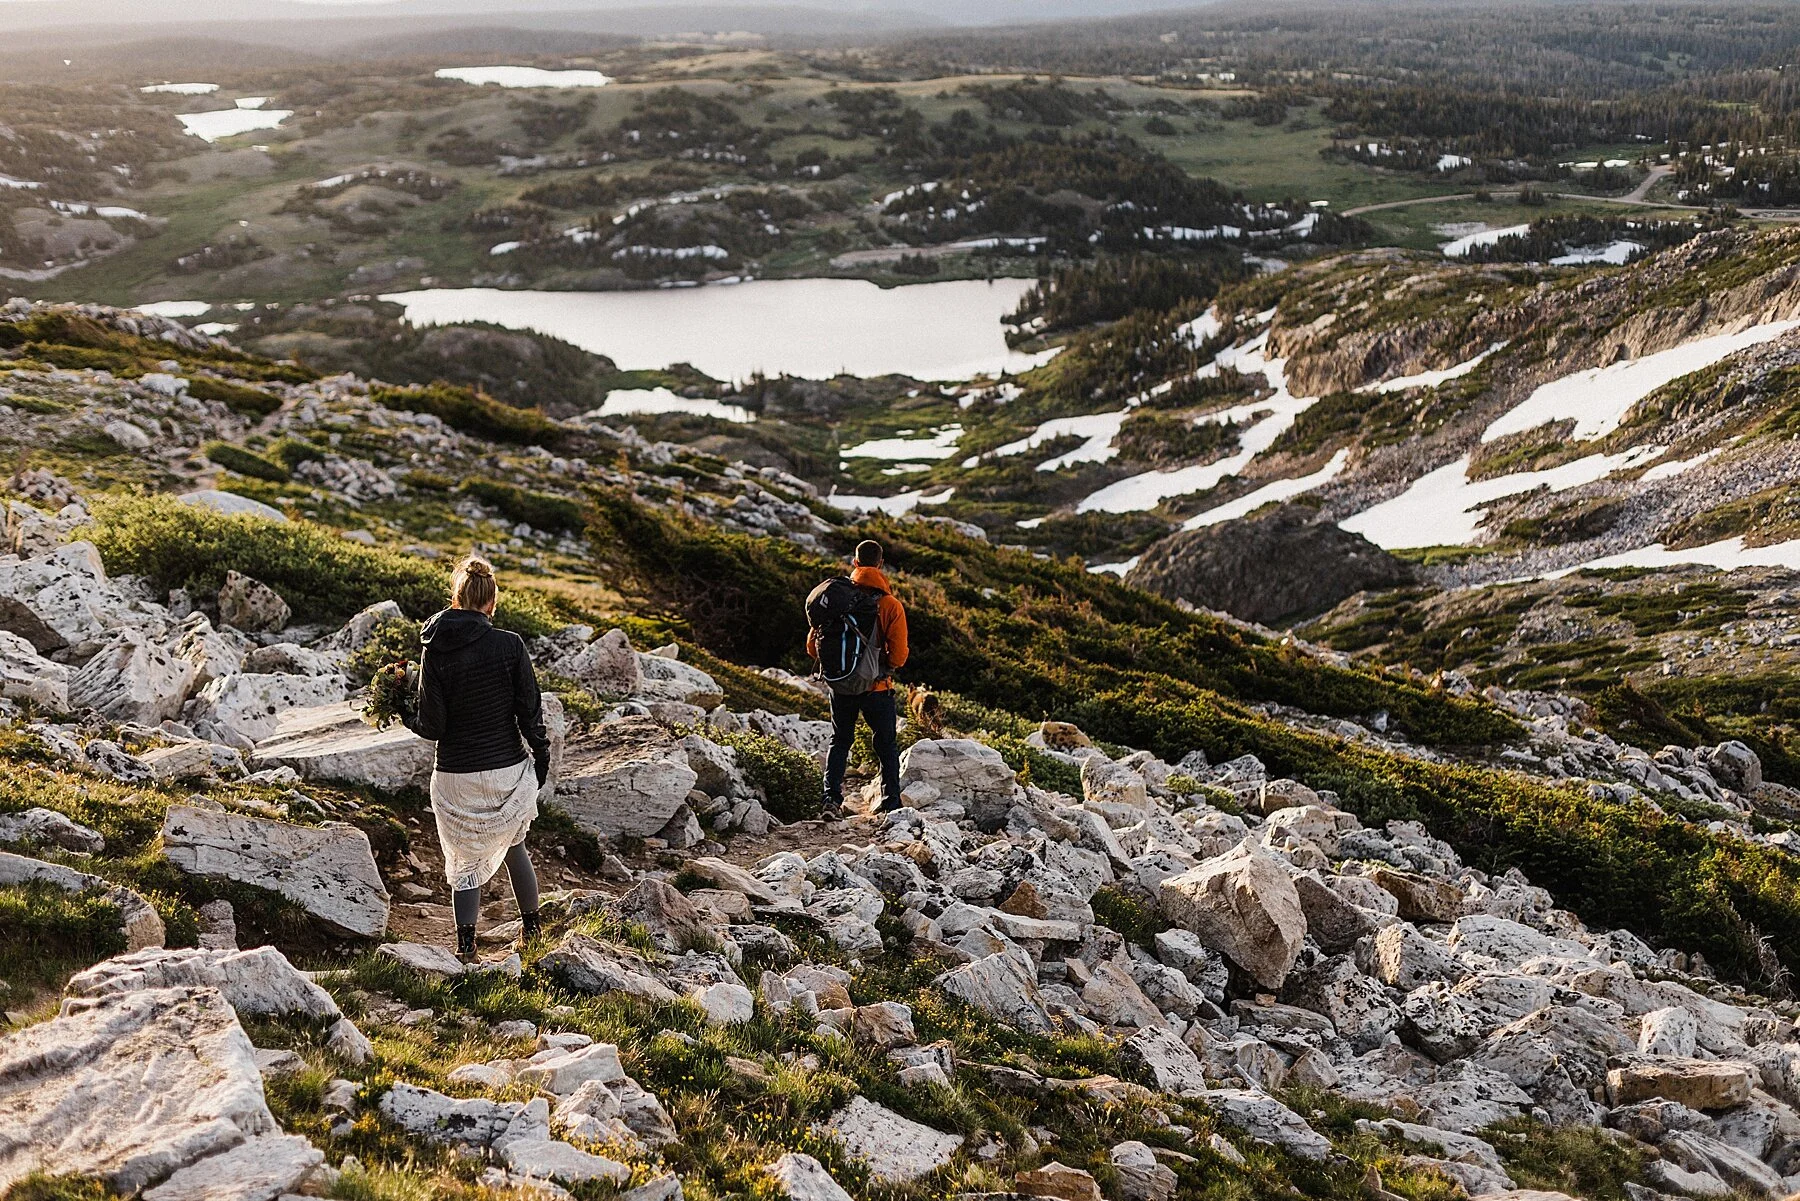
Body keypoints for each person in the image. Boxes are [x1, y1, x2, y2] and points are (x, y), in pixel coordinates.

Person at [404, 556, 552, 961]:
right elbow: (530, 711)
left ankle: (466, 947)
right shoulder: (510, 644)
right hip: (505, 766)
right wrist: (541, 759)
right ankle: (532, 932)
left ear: (456, 599)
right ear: (491, 603)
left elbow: (432, 726)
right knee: (516, 845)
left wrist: (402, 710)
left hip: (455, 774)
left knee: (464, 860)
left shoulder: (433, 648)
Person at [807, 539, 908, 819]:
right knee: (886, 744)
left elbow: (811, 646)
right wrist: (879, 664)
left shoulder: (835, 600)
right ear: (880, 564)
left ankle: (831, 799)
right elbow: (899, 656)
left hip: (840, 684)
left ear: (855, 563)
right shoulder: (890, 605)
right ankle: (890, 802)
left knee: (840, 740)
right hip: (877, 686)